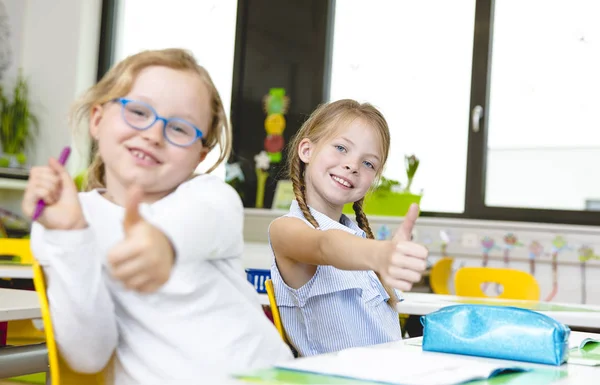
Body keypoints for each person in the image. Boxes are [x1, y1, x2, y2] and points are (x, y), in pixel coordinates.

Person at [23, 48, 293, 384]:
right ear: (97, 119)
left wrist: (162, 243)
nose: (153, 134)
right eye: (137, 111)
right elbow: (89, 356)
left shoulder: (210, 196)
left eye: (180, 129)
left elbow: (200, 223)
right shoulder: (60, 223)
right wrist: (71, 234)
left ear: (200, 155)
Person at [269, 99, 428, 357]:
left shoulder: (359, 237)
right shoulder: (286, 230)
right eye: (341, 148)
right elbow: (325, 245)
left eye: (368, 163)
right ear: (307, 150)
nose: (353, 165)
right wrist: (380, 254)